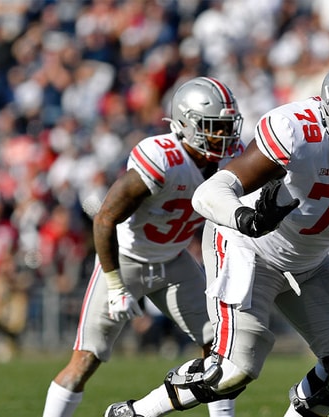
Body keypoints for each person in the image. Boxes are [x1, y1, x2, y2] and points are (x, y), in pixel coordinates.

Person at [104, 58, 329, 417]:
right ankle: (135, 413)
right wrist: (246, 218)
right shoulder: (297, 132)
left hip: (309, 260)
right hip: (249, 248)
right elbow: (208, 193)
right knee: (232, 371)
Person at [42, 76, 244, 417]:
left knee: (221, 352)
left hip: (174, 259)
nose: (223, 136)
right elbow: (105, 217)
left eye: (226, 127)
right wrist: (116, 283)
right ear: (185, 125)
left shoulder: (230, 159)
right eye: (214, 127)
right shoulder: (162, 157)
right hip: (127, 258)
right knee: (85, 360)